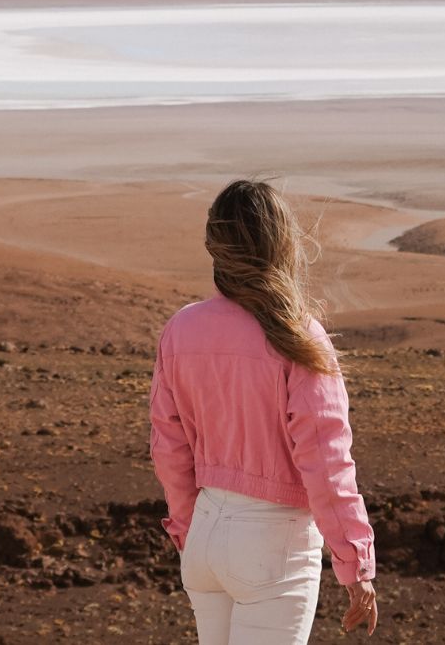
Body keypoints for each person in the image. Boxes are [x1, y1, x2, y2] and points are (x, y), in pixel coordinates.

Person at [149, 178, 379, 643]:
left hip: (205, 535)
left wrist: (190, 528)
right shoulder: (298, 337)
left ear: (216, 245)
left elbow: (168, 447)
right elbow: (326, 459)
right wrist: (355, 562)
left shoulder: (182, 329)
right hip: (273, 544)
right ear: (283, 243)